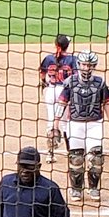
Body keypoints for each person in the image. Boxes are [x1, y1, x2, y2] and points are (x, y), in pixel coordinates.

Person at [53, 51, 109, 202]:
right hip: (75, 124)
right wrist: (55, 122)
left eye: (90, 65)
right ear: (79, 65)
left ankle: (93, 188)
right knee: (76, 158)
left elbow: (107, 103)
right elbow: (62, 103)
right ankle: (76, 189)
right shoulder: (70, 82)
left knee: (96, 158)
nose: (87, 68)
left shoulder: (100, 83)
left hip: (95, 124)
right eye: (84, 65)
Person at [38, 35, 78, 164]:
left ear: (56, 45)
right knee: (65, 122)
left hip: (51, 91)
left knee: (51, 120)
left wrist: (44, 81)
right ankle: (70, 152)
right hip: (64, 92)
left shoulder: (49, 58)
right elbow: (76, 77)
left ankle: (50, 154)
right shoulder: (73, 59)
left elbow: (42, 74)